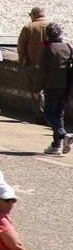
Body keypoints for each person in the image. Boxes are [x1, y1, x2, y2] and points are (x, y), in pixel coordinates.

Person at [35, 22, 71, 155]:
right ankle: (56, 146)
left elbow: (42, 71)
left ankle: (64, 135)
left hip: (52, 86)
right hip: (66, 86)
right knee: (59, 114)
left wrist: (36, 88)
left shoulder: (48, 48)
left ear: (47, 34)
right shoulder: (68, 47)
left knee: (49, 113)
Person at [16, 7, 50, 71]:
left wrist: (21, 60)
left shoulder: (28, 27)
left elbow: (21, 46)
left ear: (34, 14)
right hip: (48, 64)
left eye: (30, 15)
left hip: (32, 64)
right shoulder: (52, 26)